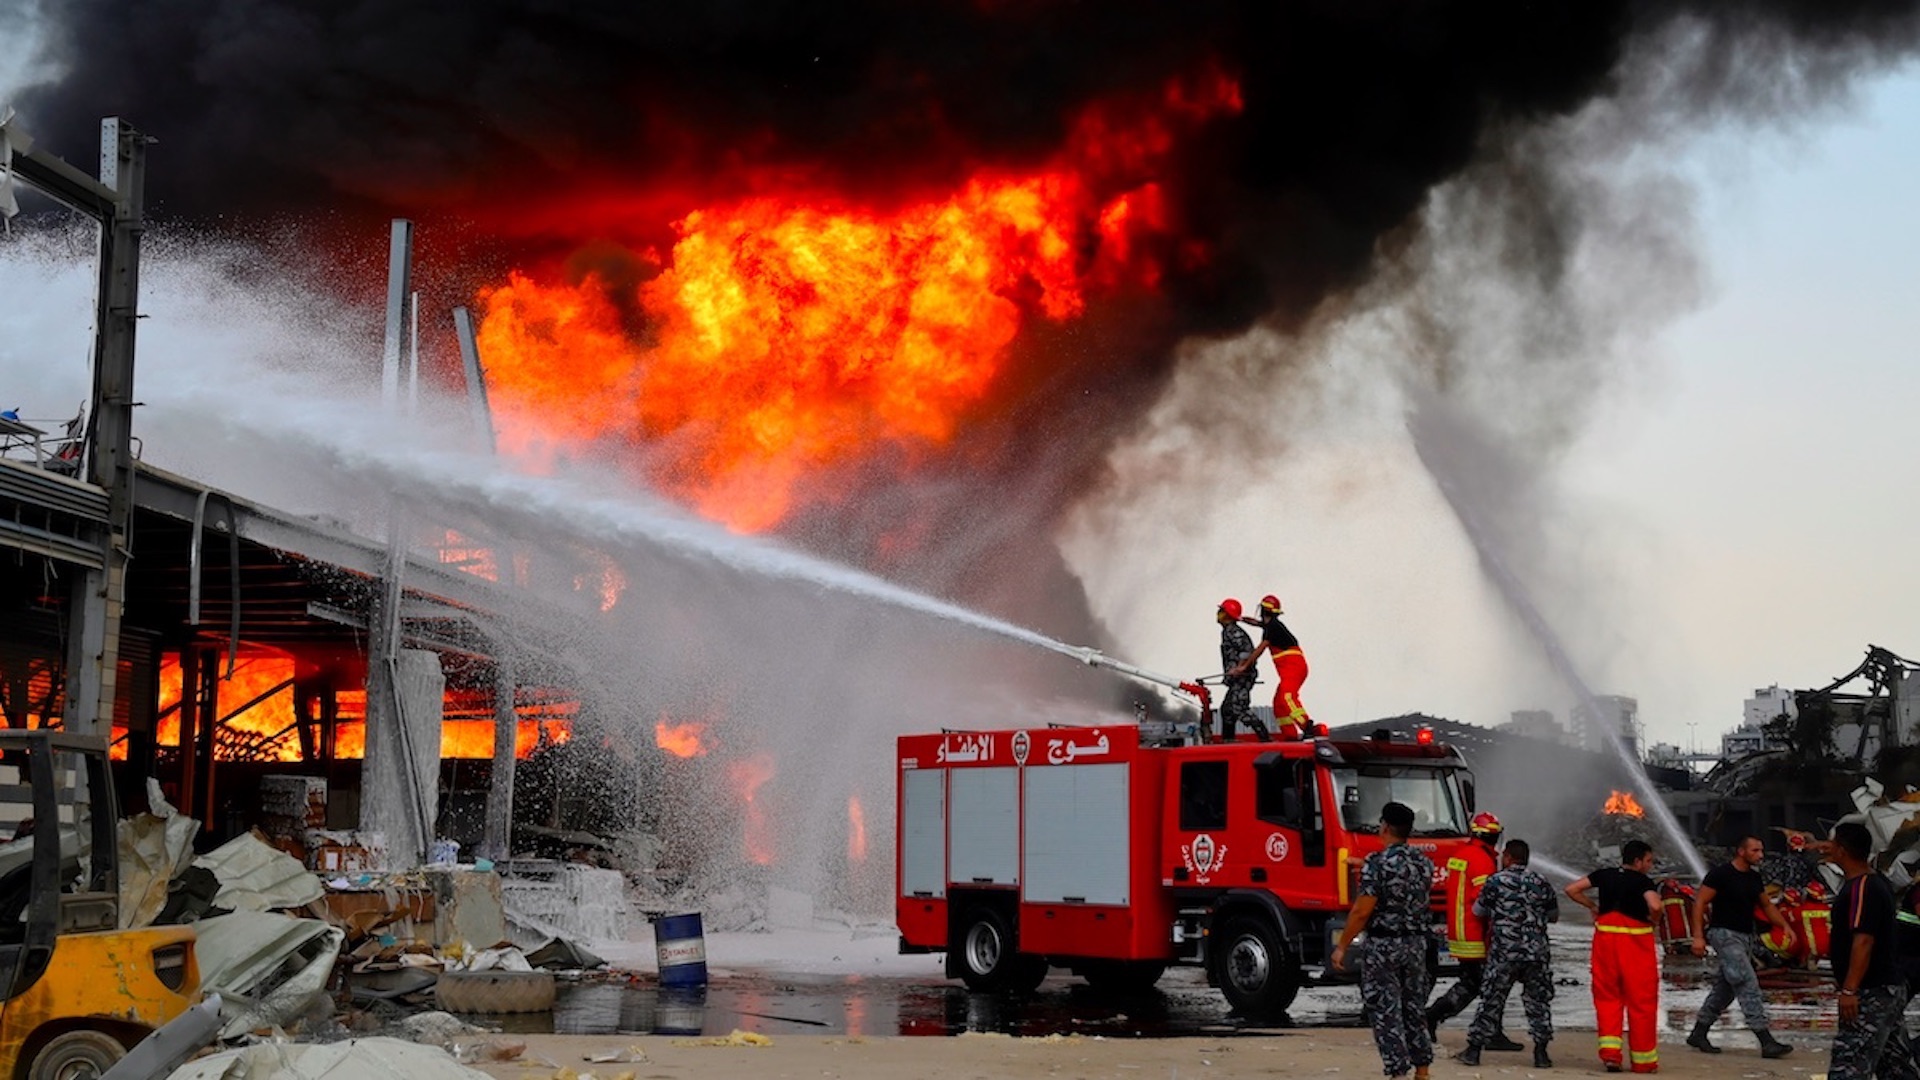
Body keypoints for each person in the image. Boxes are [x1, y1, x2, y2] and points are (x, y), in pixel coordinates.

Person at [1332, 801, 1436, 1080]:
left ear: (1385, 827)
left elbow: (1362, 910)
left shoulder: (1377, 864)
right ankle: (1423, 1070)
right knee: (1414, 1007)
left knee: (1386, 1010)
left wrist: (1342, 945)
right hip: (1415, 945)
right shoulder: (1423, 863)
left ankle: (1397, 1071)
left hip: (1383, 947)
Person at [1824, 821, 1919, 1080]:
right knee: (1896, 1066)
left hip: (1871, 991)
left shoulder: (1862, 888)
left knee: (1849, 1065)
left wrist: (1849, 989)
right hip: (1888, 988)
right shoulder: (1874, 882)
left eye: (1832, 844)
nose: (1829, 848)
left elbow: (1863, 940)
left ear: (1842, 850)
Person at [1686, 835, 1795, 1058]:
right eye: (1755, 851)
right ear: (1741, 851)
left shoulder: (1754, 878)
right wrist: (1698, 936)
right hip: (1724, 935)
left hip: (1745, 937)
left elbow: (1766, 905)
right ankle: (1765, 1039)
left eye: (1761, 850)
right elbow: (1700, 902)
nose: (1760, 855)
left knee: (1726, 988)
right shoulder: (1721, 874)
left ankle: (1699, 1031)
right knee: (1747, 981)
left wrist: (1785, 926)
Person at [1459, 838, 1559, 1068]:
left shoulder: (1495, 881)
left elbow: (1478, 910)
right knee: (1539, 1002)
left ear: (1507, 857)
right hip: (1536, 952)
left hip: (1505, 951)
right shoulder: (1541, 881)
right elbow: (1553, 915)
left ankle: (1474, 1050)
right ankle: (1541, 1053)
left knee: (1492, 999)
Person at [1565, 839, 1663, 1073]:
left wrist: (1592, 906)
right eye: (1648, 861)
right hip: (1636, 948)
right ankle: (1643, 1062)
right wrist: (1655, 921)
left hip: (1605, 945)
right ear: (1637, 861)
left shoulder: (1604, 875)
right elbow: (1656, 906)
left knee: (1607, 999)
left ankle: (1611, 1056)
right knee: (1642, 1003)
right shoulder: (1643, 881)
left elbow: (1571, 889)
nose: (1650, 866)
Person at [1426, 811, 1521, 1050]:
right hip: (1476, 933)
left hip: (1460, 931)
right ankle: (1434, 1017)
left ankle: (1434, 1017)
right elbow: (1484, 901)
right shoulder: (1481, 860)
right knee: (1488, 984)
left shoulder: (1463, 854)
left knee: (1474, 982)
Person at [1231, 594, 1309, 738]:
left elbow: (1260, 649)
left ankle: (1307, 727)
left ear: (1264, 611)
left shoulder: (1272, 628)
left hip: (1294, 667)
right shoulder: (1271, 625)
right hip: (1290, 668)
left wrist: (1244, 667)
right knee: (1279, 704)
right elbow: (1256, 623)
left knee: (1287, 696)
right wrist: (1241, 619)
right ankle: (1290, 735)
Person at [1212, 599, 1270, 741]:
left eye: (1222, 612)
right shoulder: (1227, 631)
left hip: (1243, 676)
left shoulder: (1233, 631)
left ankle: (1264, 737)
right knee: (1227, 710)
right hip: (1236, 677)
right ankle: (1228, 740)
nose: (1219, 615)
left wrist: (1240, 668)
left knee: (1239, 708)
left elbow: (1247, 651)